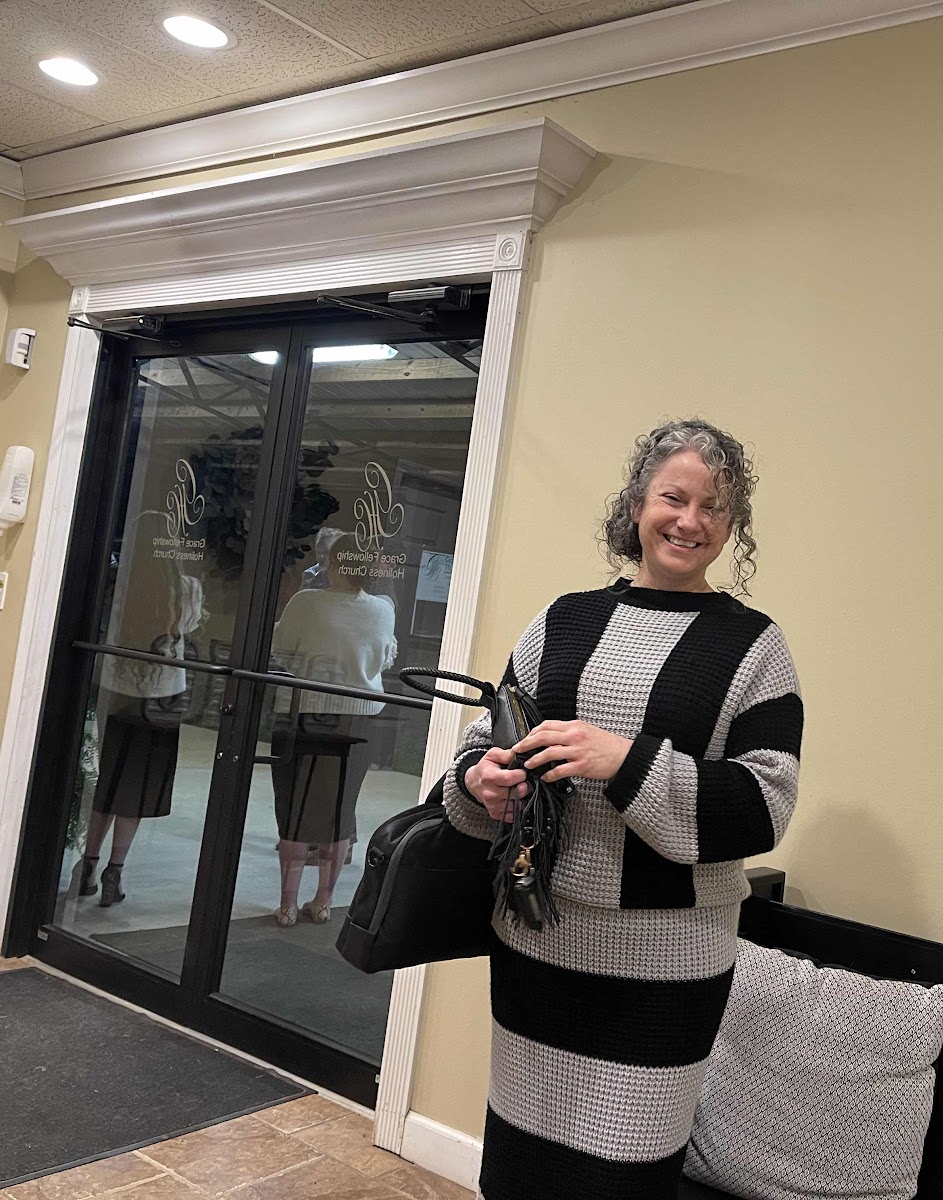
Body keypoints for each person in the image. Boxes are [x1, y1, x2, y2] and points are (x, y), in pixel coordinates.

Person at [442, 419, 804, 1200]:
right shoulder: (563, 619)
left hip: (666, 964)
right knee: (522, 1169)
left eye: (714, 507)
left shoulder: (755, 646)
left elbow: (764, 806)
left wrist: (626, 761)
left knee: (623, 1177)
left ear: (731, 526)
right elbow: (486, 738)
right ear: (637, 504)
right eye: (674, 497)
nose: (691, 520)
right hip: (540, 940)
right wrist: (480, 783)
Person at [75, 514, 205, 907]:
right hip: (161, 697)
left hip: (115, 690)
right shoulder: (187, 587)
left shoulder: (119, 581)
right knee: (136, 787)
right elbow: (191, 625)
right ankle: (115, 870)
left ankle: (87, 865)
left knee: (106, 779)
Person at [268, 537, 398, 926]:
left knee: (293, 808)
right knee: (340, 811)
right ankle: (323, 902)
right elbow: (384, 660)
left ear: (332, 564)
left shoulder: (306, 603)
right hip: (357, 717)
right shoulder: (383, 609)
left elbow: (281, 651)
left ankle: (287, 904)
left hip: (301, 711)